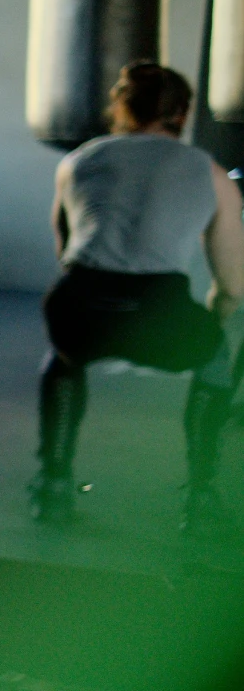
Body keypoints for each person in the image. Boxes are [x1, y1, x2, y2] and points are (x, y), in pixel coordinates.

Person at [37, 61, 244, 535]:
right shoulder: (211, 175)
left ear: (121, 108)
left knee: (63, 357)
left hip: (79, 309)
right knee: (213, 354)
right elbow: (233, 287)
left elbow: (66, 253)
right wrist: (212, 319)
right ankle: (201, 495)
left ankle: (53, 484)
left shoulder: (78, 161)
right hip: (159, 315)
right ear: (184, 113)